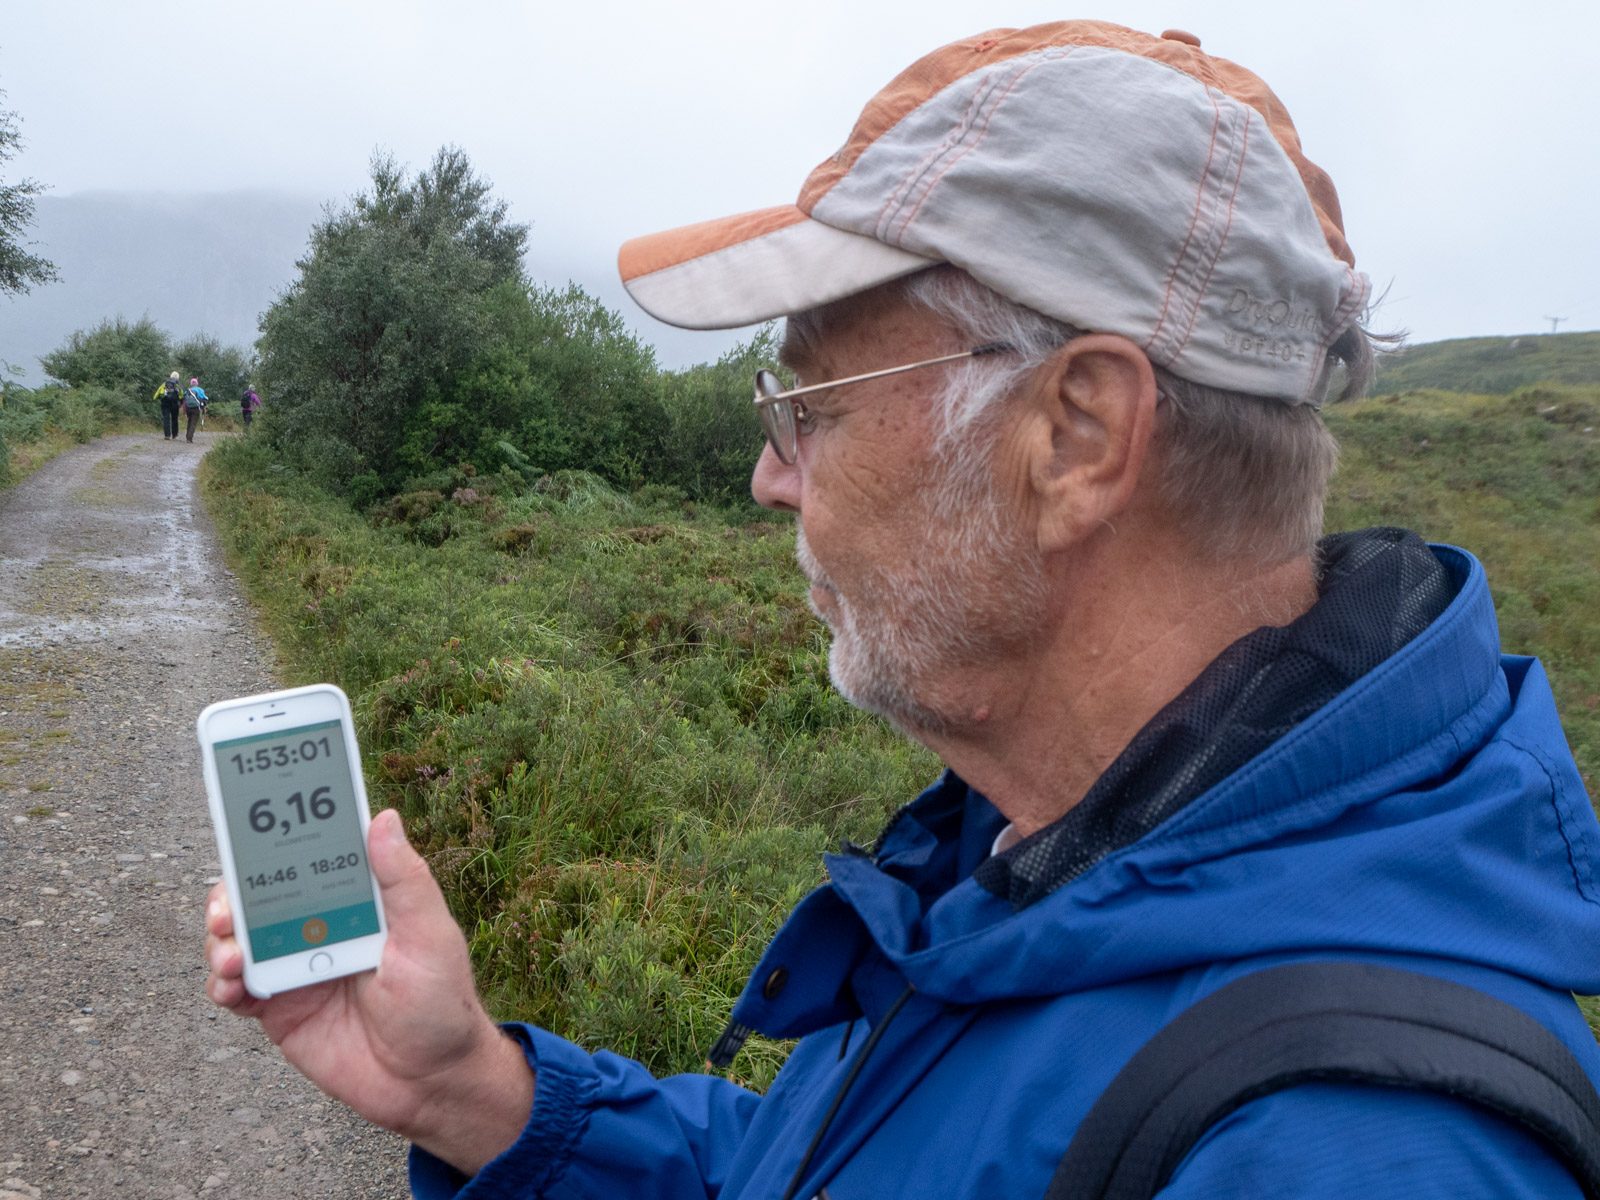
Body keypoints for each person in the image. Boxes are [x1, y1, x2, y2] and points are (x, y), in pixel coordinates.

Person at [205, 21, 1600, 1197]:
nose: (766, 477)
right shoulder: (1065, 847)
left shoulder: (1344, 1156)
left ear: (1077, 438)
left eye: (803, 407)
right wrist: (480, 1093)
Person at [153, 370, 183, 440]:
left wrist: (156, 398)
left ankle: (167, 435)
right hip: (174, 403)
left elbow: (157, 394)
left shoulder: (164, 383)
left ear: (170, 376)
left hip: (165, 403)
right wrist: (180, 402)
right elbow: (181, 395)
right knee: (174, 419)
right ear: (177, 378)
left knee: (166, 419)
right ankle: (174, 435)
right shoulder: (178, 385)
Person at [184, 376, 208, 443]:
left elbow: (184, 399)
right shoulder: (200, 390)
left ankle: (187, 436)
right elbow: (205, 398)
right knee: (193, 423)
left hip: (188, 408)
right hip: (196, 408)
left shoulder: (188, 390)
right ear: (197, 383)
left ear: (191, 383)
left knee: (189, 421)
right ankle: (189, 438)